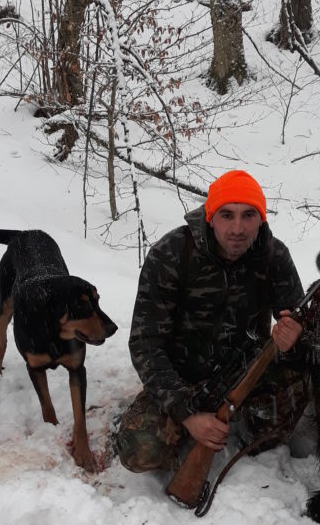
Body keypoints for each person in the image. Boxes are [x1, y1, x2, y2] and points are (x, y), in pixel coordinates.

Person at [113, 170, 309, 473]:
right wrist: (186, 413)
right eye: (227, 215)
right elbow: (145, 343)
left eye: (249, 215)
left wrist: (295, 338)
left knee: (284, 419)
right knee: (140, 451)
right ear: (210, 217)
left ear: (261, 219)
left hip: (247, 376)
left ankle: (250, 424)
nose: (238, 228)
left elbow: (300, 322)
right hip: (182, 381)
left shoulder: (274, 255)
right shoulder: (171, 254)